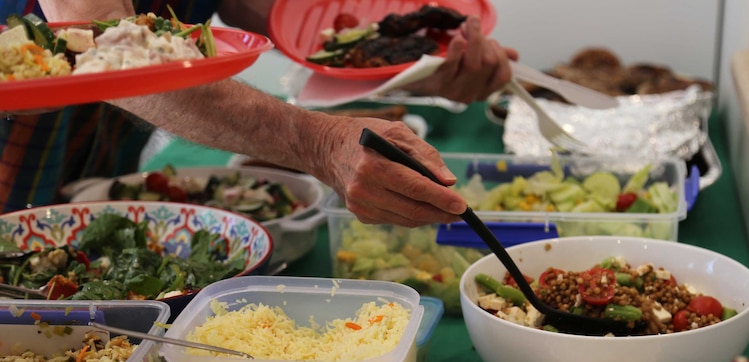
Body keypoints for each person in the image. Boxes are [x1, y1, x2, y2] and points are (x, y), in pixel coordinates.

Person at [1, 0, 517, 227]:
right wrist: (316, 142)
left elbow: (287, 17)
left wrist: (411, 58)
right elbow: (104, 50)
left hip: (93, 154)